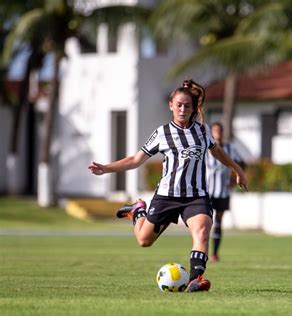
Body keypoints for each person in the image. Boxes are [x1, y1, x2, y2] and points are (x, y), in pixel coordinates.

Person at [88, 79, 248, 292]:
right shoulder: (162, 133)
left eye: (187, 105)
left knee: (202, 230)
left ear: (194, 108)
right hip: (166, 196)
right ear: (171, 105)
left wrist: (237, 170)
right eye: (179, 105)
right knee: (144, 240)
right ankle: (137, 211)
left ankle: (195, 279)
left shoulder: (202, 131)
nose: (183, 109)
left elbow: (217, 151)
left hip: (196, 196)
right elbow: (136, 159)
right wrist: (107, 168)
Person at [205, 122, 245, 262]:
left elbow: (241, 164)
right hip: (208, 192)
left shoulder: (229, 148)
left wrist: (234, 182)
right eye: (215, 131)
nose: (218, 133)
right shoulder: (206, 148)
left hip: (223, 192)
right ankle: (203, 252)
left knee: (218, 222)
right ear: (212, 133)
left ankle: (215, 253)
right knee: (205, 222)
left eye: (220, 131)